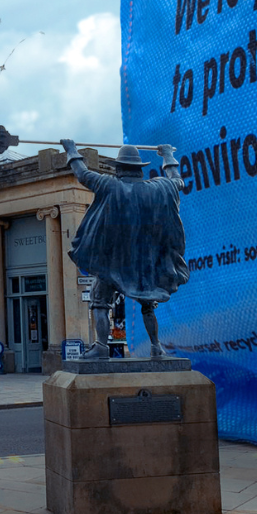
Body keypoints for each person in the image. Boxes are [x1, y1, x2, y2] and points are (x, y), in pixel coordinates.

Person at [61, 139, 189, 359]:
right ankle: (156, 347)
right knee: (148, 304)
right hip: (144, 263)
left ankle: (101, 347)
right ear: (140, 169)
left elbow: (81, 174)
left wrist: (71, 150)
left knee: (100, 302)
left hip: (114, 262)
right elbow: (177, 180)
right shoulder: (159, 188)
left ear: (118, 169)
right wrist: (167, 155)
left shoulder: (109, 185)